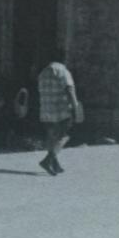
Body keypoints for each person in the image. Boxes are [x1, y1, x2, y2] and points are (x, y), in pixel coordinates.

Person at [37, 48, 78, 176]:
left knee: (51, 137)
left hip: (46, 109)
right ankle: (48, 160)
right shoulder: (63, 71)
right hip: (61, 109)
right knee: (65, 135)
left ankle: (55, 165)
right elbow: (70, 90)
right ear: (63, 58)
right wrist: (75, 107)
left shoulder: (42, 73)